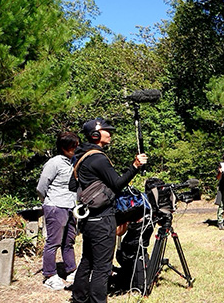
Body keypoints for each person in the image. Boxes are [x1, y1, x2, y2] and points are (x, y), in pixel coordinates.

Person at [70, 118, 147, 303]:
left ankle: (79, 299)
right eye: (107, 131)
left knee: (87, 261)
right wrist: (135, 166)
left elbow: (72, 184)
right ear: (95, 135)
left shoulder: (81, 156)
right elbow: (118, 184)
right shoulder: (98, 158)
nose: (110, 134)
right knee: (103, 267)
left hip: (89, 220)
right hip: (102, 219)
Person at [37, 131, 80, 290]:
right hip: (56, 205)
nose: (74, 148)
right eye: (71, 146)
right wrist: (48, 203)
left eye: (76, 145)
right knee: (53, 242)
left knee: (69, 240)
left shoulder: (74, 161)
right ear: (62, 147)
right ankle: (49, 274)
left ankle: (71, 270)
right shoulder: (54, 162)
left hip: (71, 206)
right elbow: (41, 187)